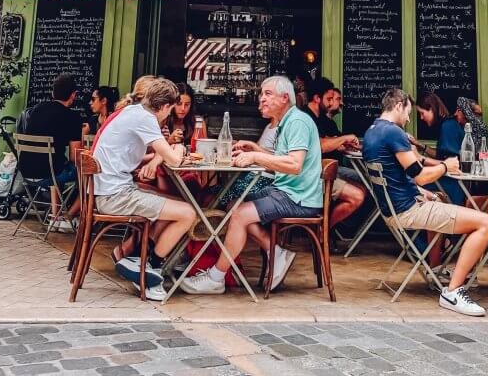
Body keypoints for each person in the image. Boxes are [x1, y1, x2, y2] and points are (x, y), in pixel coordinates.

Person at [180, 75, 323, 296]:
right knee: (232, 206)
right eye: (261, 94)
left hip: (298, 197)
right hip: (285, 190)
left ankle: (216, 278)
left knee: (239, 214)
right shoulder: (289, 121)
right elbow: (281, 160)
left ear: (285, 98)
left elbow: (294, 165)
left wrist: (255, 158)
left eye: (268, 94)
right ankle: (275, 252)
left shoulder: (297, 122)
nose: (261, 99)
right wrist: (256, 150)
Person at [363, 87, 488, 317]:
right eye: (407, 112)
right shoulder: (393, 132)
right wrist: (446, 166)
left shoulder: (372, 132)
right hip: (409, 210)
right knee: (486, 222)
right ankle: (453, 291)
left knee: (440, 197)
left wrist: (421, 191)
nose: (408, 118)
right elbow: (420, 175)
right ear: (399, 105)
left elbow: (395, 175)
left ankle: (437, 268)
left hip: (394, 210)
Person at [92, 76, 196, 301]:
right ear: (165, 106)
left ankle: (142, 260)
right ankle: (152, 268)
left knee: (171, 202)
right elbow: (174, 159)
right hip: (116, 196)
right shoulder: (146, 119)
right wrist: (177, 148)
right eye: (171, 109)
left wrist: (161, 155)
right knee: (189, 213)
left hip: (110, 190)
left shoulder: (133, 112)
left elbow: (137, 155)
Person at [18, 73, 84, 231]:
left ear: (53, 93)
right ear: (73, 95)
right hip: (49, 174)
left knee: (56, 164)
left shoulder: (35, 110)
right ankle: (70, 217)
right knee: (88, 174)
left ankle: (56, 215)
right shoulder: (73, 118)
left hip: (25, 173)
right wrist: (82, 134)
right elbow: (75, 158)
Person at [304, 80, 365, 231]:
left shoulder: (319, 118)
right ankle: (324, 232)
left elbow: (327, 140)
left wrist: (339, 142)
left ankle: (327, 229)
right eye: (329, 99)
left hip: (319, 173)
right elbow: (319, 145)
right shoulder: (306, 118)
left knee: (362, 189)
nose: (331, 103)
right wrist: (344, 138)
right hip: (308, 177)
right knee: (357, 196)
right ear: (317, 98)